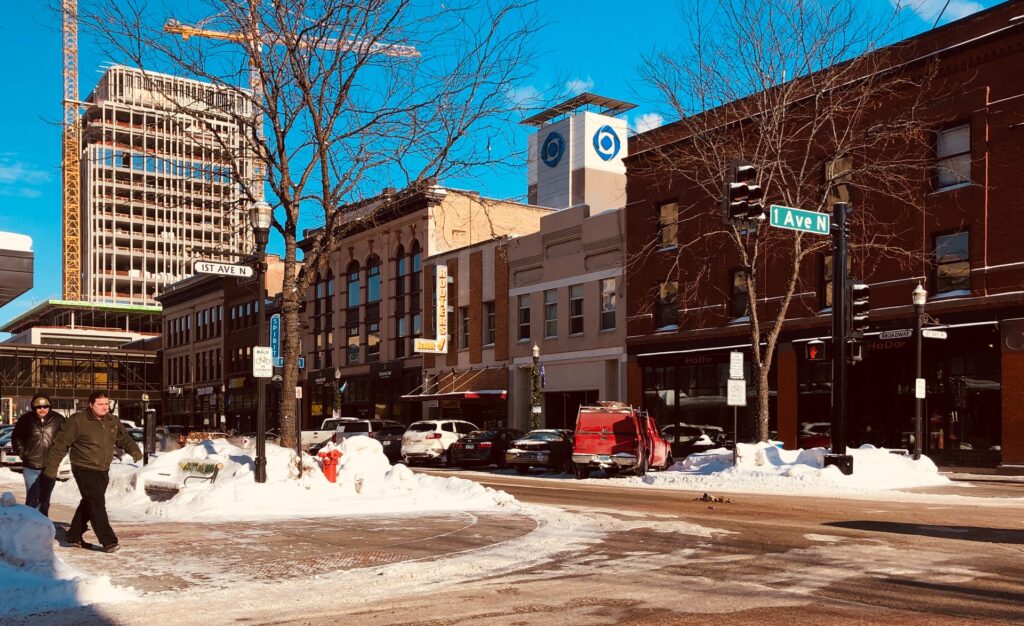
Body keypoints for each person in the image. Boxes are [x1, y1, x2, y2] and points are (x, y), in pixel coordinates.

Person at [44, 391, 142, 553]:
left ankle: (73, 535)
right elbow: (61, 444)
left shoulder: (112, 420)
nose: (105, 407)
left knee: (89, 501)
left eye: (107, 404)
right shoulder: (78, 420)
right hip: (83, 467)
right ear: (91, 405)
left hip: (102, 468)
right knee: (96, 503)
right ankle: (108, 541)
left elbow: (123, 438)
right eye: (101, 404)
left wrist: (134, 451)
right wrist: (52, 469)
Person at [11, 394, 65, 516]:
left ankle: (43, 524)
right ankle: (29, 524)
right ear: (33, 407)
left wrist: (57, 457)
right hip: (31, 466)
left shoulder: (59, 419)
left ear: (49, 407)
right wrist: (23, 453)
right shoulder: (25, 419)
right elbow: (16, 438)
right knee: (32, 498)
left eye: (45, 406)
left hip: (49, 466)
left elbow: (64, 441)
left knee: (45, 499)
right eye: (39, 407)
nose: (42, 409)